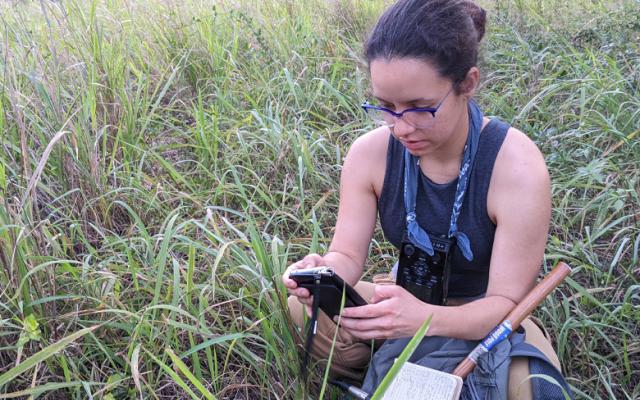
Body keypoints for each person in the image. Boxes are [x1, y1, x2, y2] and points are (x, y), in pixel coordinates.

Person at [282, 0, 567, 398]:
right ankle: (398, 370)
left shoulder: (515, 168)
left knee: (533, 389)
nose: (400, 126)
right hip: (405, 302)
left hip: (488, 320)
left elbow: (505, 305)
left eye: (419, 108)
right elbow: (346, 256)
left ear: (467, 83)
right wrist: (323, 274)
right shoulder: (369, 155)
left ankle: (413, 373)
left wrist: (423, 320)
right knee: (301, 311)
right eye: (386, 107)